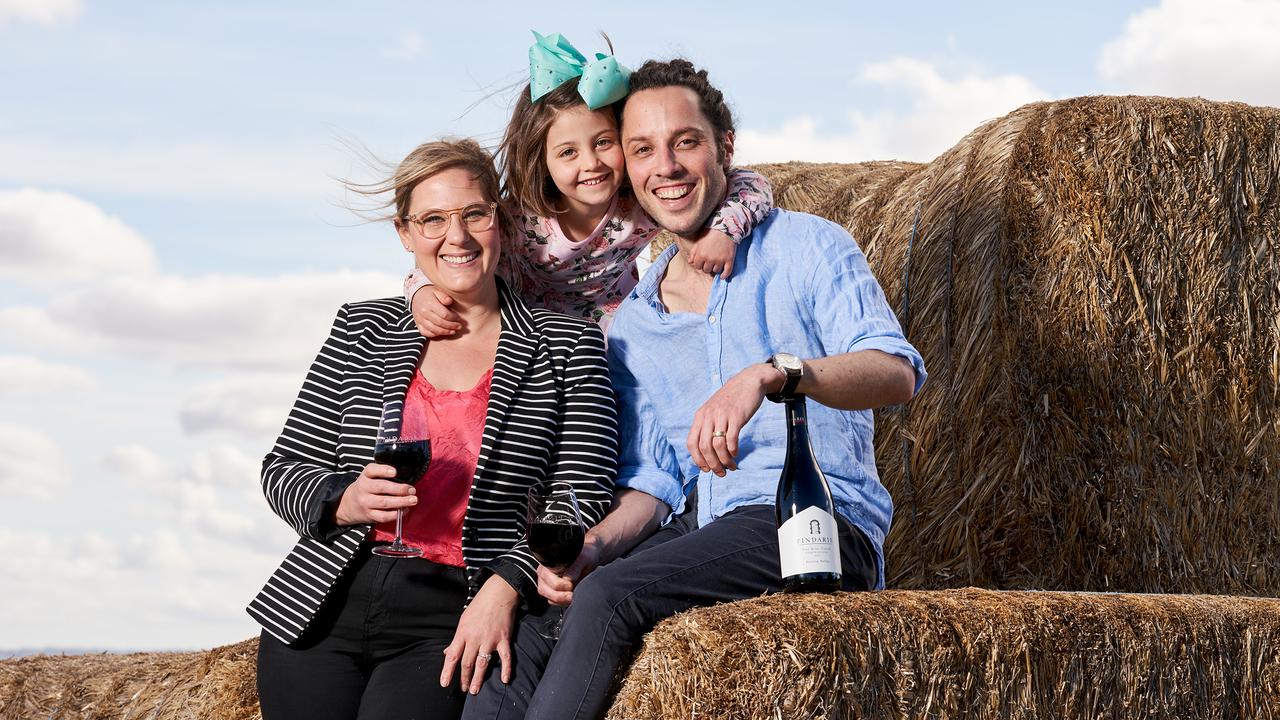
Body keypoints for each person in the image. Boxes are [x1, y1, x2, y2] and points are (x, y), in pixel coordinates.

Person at [461, 59, 927, 720]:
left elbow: (895, 371)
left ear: (724, 148)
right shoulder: (637, 324)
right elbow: (654, 482)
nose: (667, 166)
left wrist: (773, 373)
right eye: (643, 149)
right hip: (700, 528)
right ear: (626, 167)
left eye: (686, 142)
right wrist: (592, 547)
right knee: (539, 614)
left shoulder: (807, 246)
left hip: (810, 524)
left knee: (610, 598)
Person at [245, 139, 618, 720]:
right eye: (433, 220)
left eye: (474, 213)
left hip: (450, 613)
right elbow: (283, 470)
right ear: (405, 233)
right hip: (325, 603)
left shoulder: (568, 344)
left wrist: (508, 583)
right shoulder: (362, 328)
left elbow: (584, 493)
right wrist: (344, 500)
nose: (458, 236)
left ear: (502, 219)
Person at [404, 32, 774, 333]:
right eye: (568, 153)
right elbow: (455, 257)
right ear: (542, 161)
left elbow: (751, 183)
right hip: (530, 330)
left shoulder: (640, 200)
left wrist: (726, 230)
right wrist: (421, 294)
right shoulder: (519, 222)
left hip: (616, 327)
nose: (591, 164)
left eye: (603, 143)